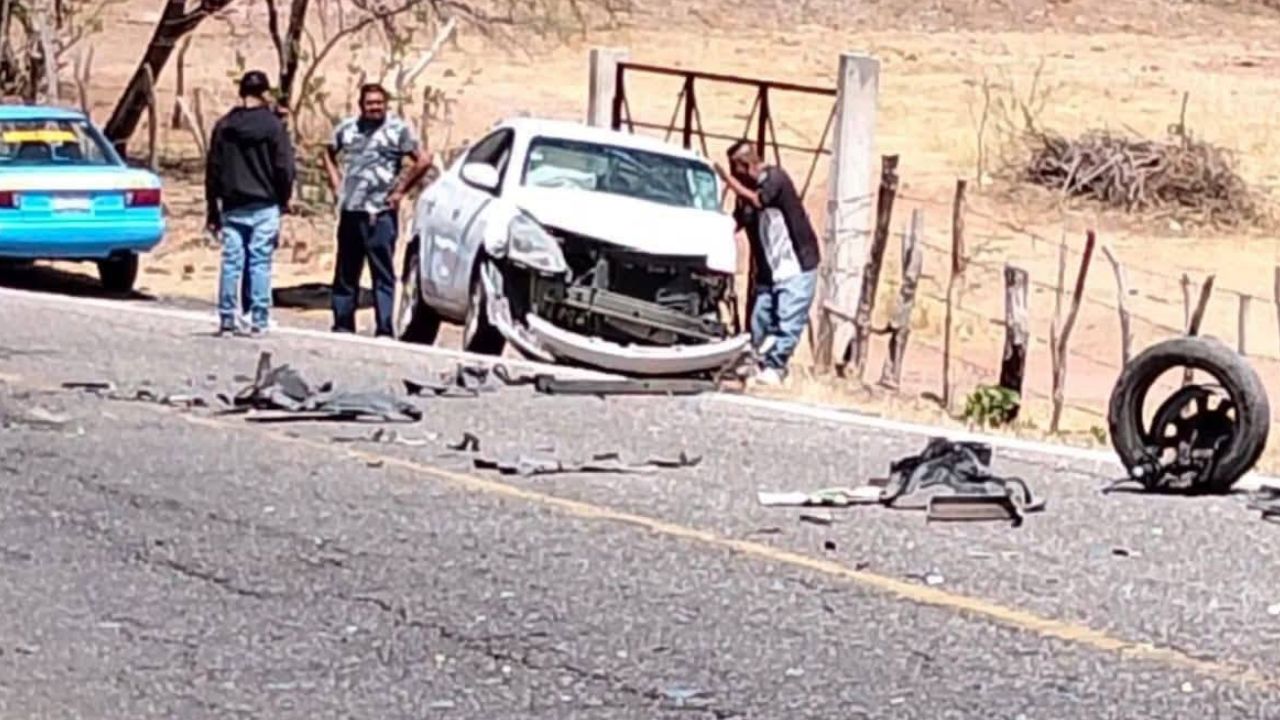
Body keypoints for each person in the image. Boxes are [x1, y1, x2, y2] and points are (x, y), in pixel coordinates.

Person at [322, 83, 434, 338]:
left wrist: (400, 190)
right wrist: (337, 183)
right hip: (352, 211)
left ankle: (384, 327)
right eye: (370, 103)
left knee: (382, 273)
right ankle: (342, 323)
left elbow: (423, 160)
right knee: (346, 272)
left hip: (381, 213)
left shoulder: (398, 130)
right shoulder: (347, 128)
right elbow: (328, 152)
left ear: (386, 104)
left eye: (379, 103)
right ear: (361, 105)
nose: (375, 108)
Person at [715, 140, 821, 385]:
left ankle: (776, 367)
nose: (734, 175)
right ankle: (757, 362)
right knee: (760, 319)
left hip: (795, 265)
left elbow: (760, 200)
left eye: (735, 168)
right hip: (769, 271)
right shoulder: (747, 195)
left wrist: (728, 182)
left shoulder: (776, 179)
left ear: (746, 165)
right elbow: (738, 221)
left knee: (788, 319)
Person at [205, 70, 296, 336]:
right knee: (260, 262)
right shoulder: (273, 126)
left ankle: (227, 318)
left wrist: (212, 208)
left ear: (241, 92)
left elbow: (213, 169)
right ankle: (259, 318)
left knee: (231, 262)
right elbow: (284, 167)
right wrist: (284, 198)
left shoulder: (224, 126)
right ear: (264, 92)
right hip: (265, 203)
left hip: (232, 205)